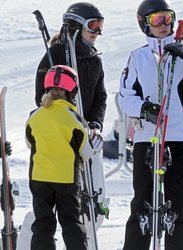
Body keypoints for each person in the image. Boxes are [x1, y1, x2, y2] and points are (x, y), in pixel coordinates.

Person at [118, 0, 183, 249]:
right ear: (144, 24)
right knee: (142, 202)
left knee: (179, 204)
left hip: (180, 137)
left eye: (166, 17)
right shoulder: (138, 57)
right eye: (156, 20)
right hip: (148, 138)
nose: (163, 25)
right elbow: (124, 96)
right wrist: (143, 109)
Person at [35, 2, 108, 221]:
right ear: (76, 26)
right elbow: (41, 97)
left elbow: (100, 98)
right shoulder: (54, 55)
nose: (98, 32)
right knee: (65, 200)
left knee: (90, 197)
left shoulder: (94, 60)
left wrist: (95, 125)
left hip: (86, 137)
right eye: (93, 25)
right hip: (60, 139)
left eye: (100, 25)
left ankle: (88, 228)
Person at [25, 65, 100, 250]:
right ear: (72, 91)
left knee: (42, 223)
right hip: (66, 178)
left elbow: (29, 142)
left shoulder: (35, 116)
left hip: (39, 176)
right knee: (70, 222)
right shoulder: (73, 118)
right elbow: (86, 151)